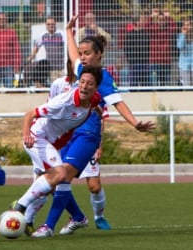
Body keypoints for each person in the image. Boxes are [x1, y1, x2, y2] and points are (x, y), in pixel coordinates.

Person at [14, 15, 156, 237]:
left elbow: (119, 103)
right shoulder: (83, 72)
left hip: (87, 134)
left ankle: (47, 225)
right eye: (81, 53)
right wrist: (69, 32)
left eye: (87, 53)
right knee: (54, 178)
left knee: (66, 177)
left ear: (98, 54)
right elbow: (72, 54)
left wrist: (135, 123)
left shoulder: (104, 79)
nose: (81, 57)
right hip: (68, 134)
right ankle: (74, 217)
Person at [12, 65, 103, 235]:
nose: (84, 86)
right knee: (60, 175)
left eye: (89, 83)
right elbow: (29, 114)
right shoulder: (64, 101)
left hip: (52, 144)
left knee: (47, 184)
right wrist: (26, 135)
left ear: (96, 87)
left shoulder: (94, 98)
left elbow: (95, 105)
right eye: (82, 82)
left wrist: (97, 112)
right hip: (38, 137)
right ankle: (19, 207)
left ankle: (29, 220)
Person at [144, 6, 177, 86]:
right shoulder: (153, 29)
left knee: (165, 85)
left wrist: (168, 17)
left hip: (166, 61)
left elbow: (175, 27)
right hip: (154, 61)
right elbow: (145, 28)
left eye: (163, 20)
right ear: (157, 21)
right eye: (159, 20)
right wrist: (151, 17)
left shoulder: (168, 30)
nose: (161, 22)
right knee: (154, 85)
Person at [27, 16, 65, 84]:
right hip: (52, 68)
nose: (51, 26)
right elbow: (36, 47)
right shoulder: (43, 35)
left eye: (52, 24)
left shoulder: (61, 34)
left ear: (55, 24)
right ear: (46, 25)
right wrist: (31, 56)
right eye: (48, 24)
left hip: (63, 67)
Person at [124, 14, 151, 87]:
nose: (143, 22)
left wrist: (147, 60)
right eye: (141, 20)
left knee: (145, 85)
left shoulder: (145, 34)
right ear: (137, 22)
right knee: (133, 84)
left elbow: (148, 48)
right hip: (133, 63)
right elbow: (127, 49)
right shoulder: (129, 34)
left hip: (144, 63)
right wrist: (130, 61)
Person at [176, 17, 193, 86]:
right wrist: (183, 35)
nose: (186, 27)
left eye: (188, 24)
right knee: (187, 86)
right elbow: (179, 46)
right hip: (184, 65)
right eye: (185, 25)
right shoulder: (180, 35)